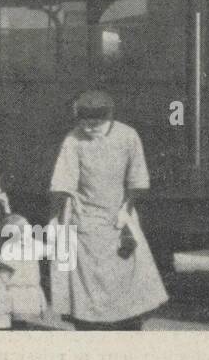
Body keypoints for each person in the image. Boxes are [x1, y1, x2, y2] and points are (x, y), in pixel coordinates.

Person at [49, 89, 168, 330]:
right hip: (86, 223)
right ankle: (90, 328)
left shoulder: (128, 137)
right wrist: (57, 222)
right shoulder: (73, 140)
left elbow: (137, 179)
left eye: (96, 124)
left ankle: (127, 329)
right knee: (89, 288)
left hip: (119, 218)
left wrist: (126, 212)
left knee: (124, 282)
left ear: (110, 119)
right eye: (85, 123)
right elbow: (62, 182)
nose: (90, 129)